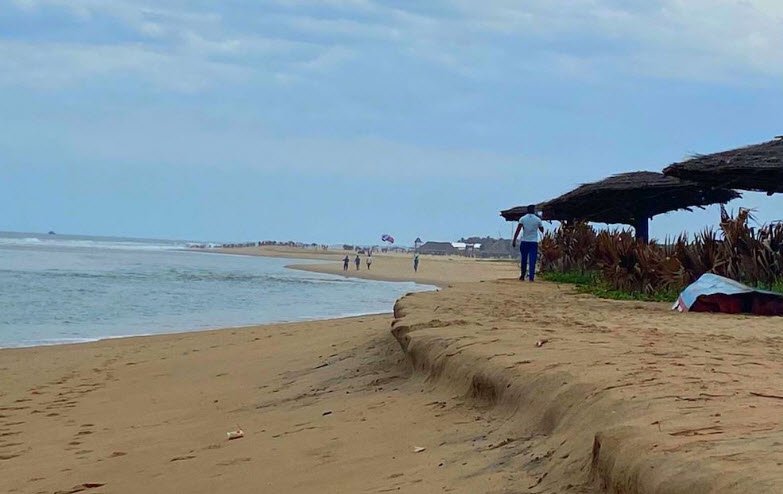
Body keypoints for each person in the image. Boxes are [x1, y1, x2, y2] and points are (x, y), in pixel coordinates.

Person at [512, 204, 544, 281]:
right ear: (534, 210)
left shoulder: (522, 219)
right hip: (533, 242)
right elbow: (542, 230)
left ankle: (522, 275)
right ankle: (531, 277)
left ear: (527, 210)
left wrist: (514, 240)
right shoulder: (537, 219)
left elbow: (518, 230)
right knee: (532, 260)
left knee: (524, 259)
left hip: (524, 241)